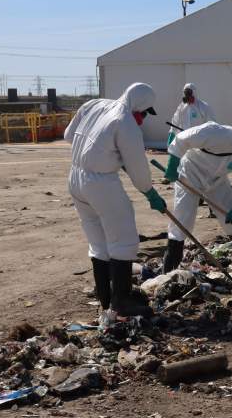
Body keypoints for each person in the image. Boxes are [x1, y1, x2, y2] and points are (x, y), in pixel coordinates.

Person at [64, 82, 167, 318]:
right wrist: (149, 192)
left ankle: (106, 298)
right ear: (138, 106)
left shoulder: (94, 104)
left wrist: (103, 152)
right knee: (124, 239)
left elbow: (69, 135)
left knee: (98, 241)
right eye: (142, 113)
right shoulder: (126, 122)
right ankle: (122, 302)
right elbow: (138, 167)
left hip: (75, 178)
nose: (142, 119)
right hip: (101, 183)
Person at [160, 119, 232, 279]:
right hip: (189, 176)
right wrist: (172, 164)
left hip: (217, 181)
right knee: (182, 223)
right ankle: (168, 273)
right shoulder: (217, 133)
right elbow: (181, 139)